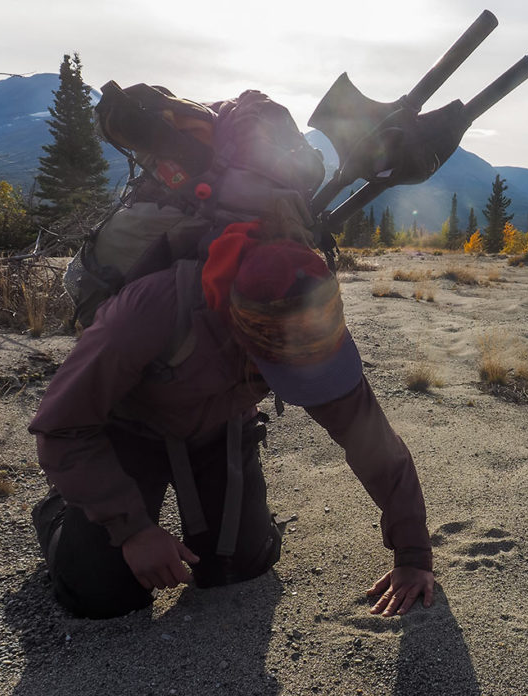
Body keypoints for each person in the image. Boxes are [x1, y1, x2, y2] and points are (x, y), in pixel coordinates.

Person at [29, 212, 433, 620]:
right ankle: (57, 509)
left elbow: (372, 442)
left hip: (219, 433)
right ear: (238, 331)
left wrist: (413, 553)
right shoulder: (149, 310)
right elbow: (59, 424)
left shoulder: (312, 319)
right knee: (103, 593)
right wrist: (132, 529)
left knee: (241, 566)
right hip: (128, 437)